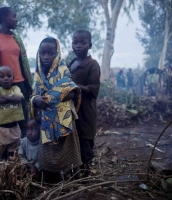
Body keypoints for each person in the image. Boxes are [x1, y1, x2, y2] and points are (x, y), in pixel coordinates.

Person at [30, 37, 82, 183]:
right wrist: (35, 100)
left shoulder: (63, 71)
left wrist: (48, 98)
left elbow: (72, 93)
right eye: (43, 53)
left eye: (50, 53)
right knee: (47, 153)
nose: (46, 57)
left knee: (69, 151)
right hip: (46, 121)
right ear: (38, 54)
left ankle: (76, 181)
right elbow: (34, 95)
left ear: (57, 54)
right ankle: (48, 182)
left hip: (63, 119)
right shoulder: (38, 74)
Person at [0, 7, 32, 137]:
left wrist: (26, 84)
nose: (16, 20)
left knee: (21, 119)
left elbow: (23, 62)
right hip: (0, 85)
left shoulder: (17, 39)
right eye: (14, 16)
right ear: (4, 18)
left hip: (19, 83)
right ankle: (0, 153)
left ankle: (20, 153)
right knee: (0, 119)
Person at [67, 30, 100, 177]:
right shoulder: (72, 63)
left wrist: (75, 85)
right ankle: (75, 174)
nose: (78, 46)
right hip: (72, 112)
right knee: (74, 142)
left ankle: (85, 177)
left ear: (90, 45)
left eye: (83, 42)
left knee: (86, 144)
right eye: (75, 42)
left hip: (86, 113)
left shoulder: (92, 65)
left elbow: (93, 90)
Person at [0, 66, 24, 161]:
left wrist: (5, 98)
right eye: (2, 76)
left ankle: (10, 175)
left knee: (13, 156)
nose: (6, 79)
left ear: (13, 78)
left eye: (9, 76)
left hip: (14, 128)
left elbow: (18, 99)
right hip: (0, 129)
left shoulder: (16, 88)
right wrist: (11, 99)